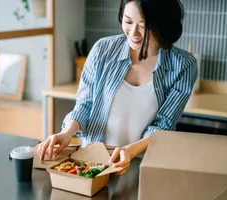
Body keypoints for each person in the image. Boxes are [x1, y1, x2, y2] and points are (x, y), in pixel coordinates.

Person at [38, 0, 197, 175]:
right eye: (128, 21)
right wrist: (67, 133)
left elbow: (164, 125)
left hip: (141, 166)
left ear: (162, 24)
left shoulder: (183, 65)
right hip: (92, 164)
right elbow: (85, 105)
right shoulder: (103, 50)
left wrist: (130, 151)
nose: (133, 33)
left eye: (143, 26)